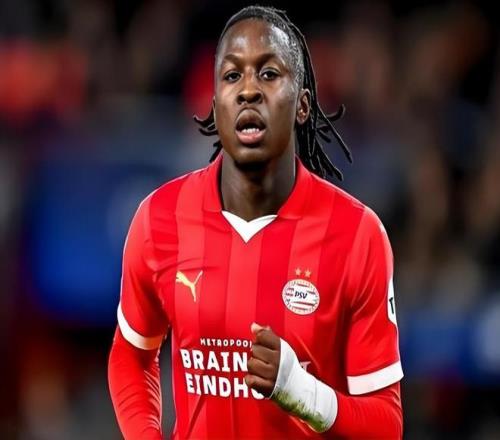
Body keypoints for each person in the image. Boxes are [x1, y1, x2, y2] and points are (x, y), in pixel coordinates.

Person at [108, 5, 403, 439]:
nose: (248, 90)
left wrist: (304, 394)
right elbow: (131, 355)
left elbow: (386, 426)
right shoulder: (158, 219)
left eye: (268, 74)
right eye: (232, 75)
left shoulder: (358, 235)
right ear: (215, 106)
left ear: (303, 106)